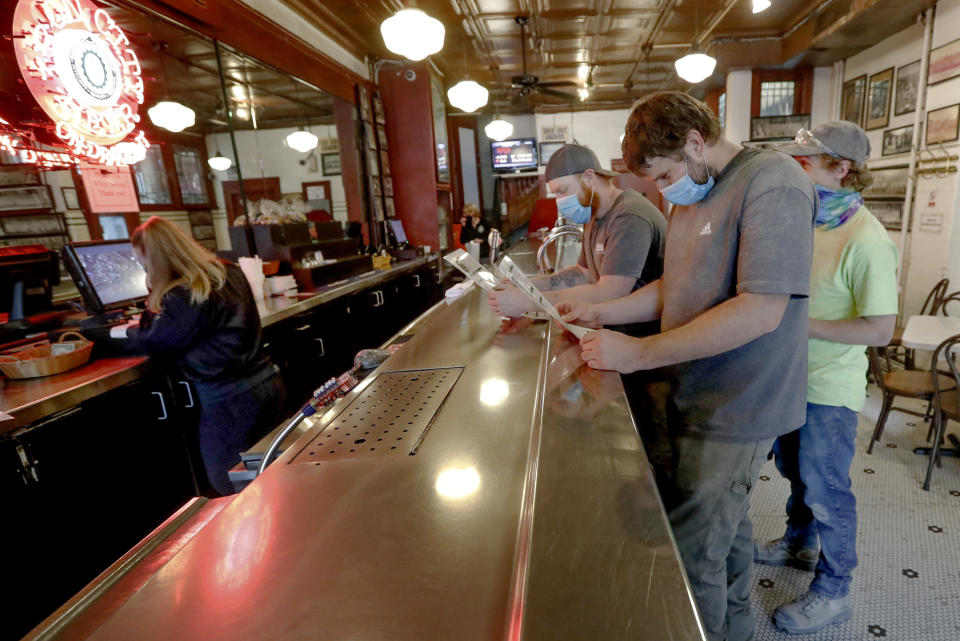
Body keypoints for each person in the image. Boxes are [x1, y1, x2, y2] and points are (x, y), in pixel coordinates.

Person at [558, 92, 816, 641]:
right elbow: (673, 289)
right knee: (725, 526)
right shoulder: (692, 191)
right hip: (694, 389)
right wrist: (599, 310)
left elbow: (761, 309)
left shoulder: (772, 184)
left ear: (696, 143)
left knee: (694, 551)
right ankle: (738, 625)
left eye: (668, 173)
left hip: (740, 399)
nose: (665, 189)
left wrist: (639, 353)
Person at [753, 122, 898, 634]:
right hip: (790, 377)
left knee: (827, 489)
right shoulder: (810, 221)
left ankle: (834, 592)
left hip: (829, 391)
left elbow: (880, 327)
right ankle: (798, 542)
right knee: (795, 471)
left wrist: (800, 322)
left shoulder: (868, 241)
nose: (796, 171)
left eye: (806, 164)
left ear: (843, 169)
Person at [111, 216, 287, 496]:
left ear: (154, 259)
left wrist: (116, 332)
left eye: (143, 261)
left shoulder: (184, 292)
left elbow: (158, 340)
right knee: (269, 474)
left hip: (229, 400)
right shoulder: (227, 272)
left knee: (227, 485)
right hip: (267, 383)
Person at [487, 143, 666, 333]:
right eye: (555, 193)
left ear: (589, 178)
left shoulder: (629, 215)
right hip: (616, 331)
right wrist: (525, 286)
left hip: (643, 337)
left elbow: (610, 293)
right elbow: (583, 274)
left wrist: (529, 302)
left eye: (562, 190)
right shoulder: (593, 214)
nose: (559, 201)